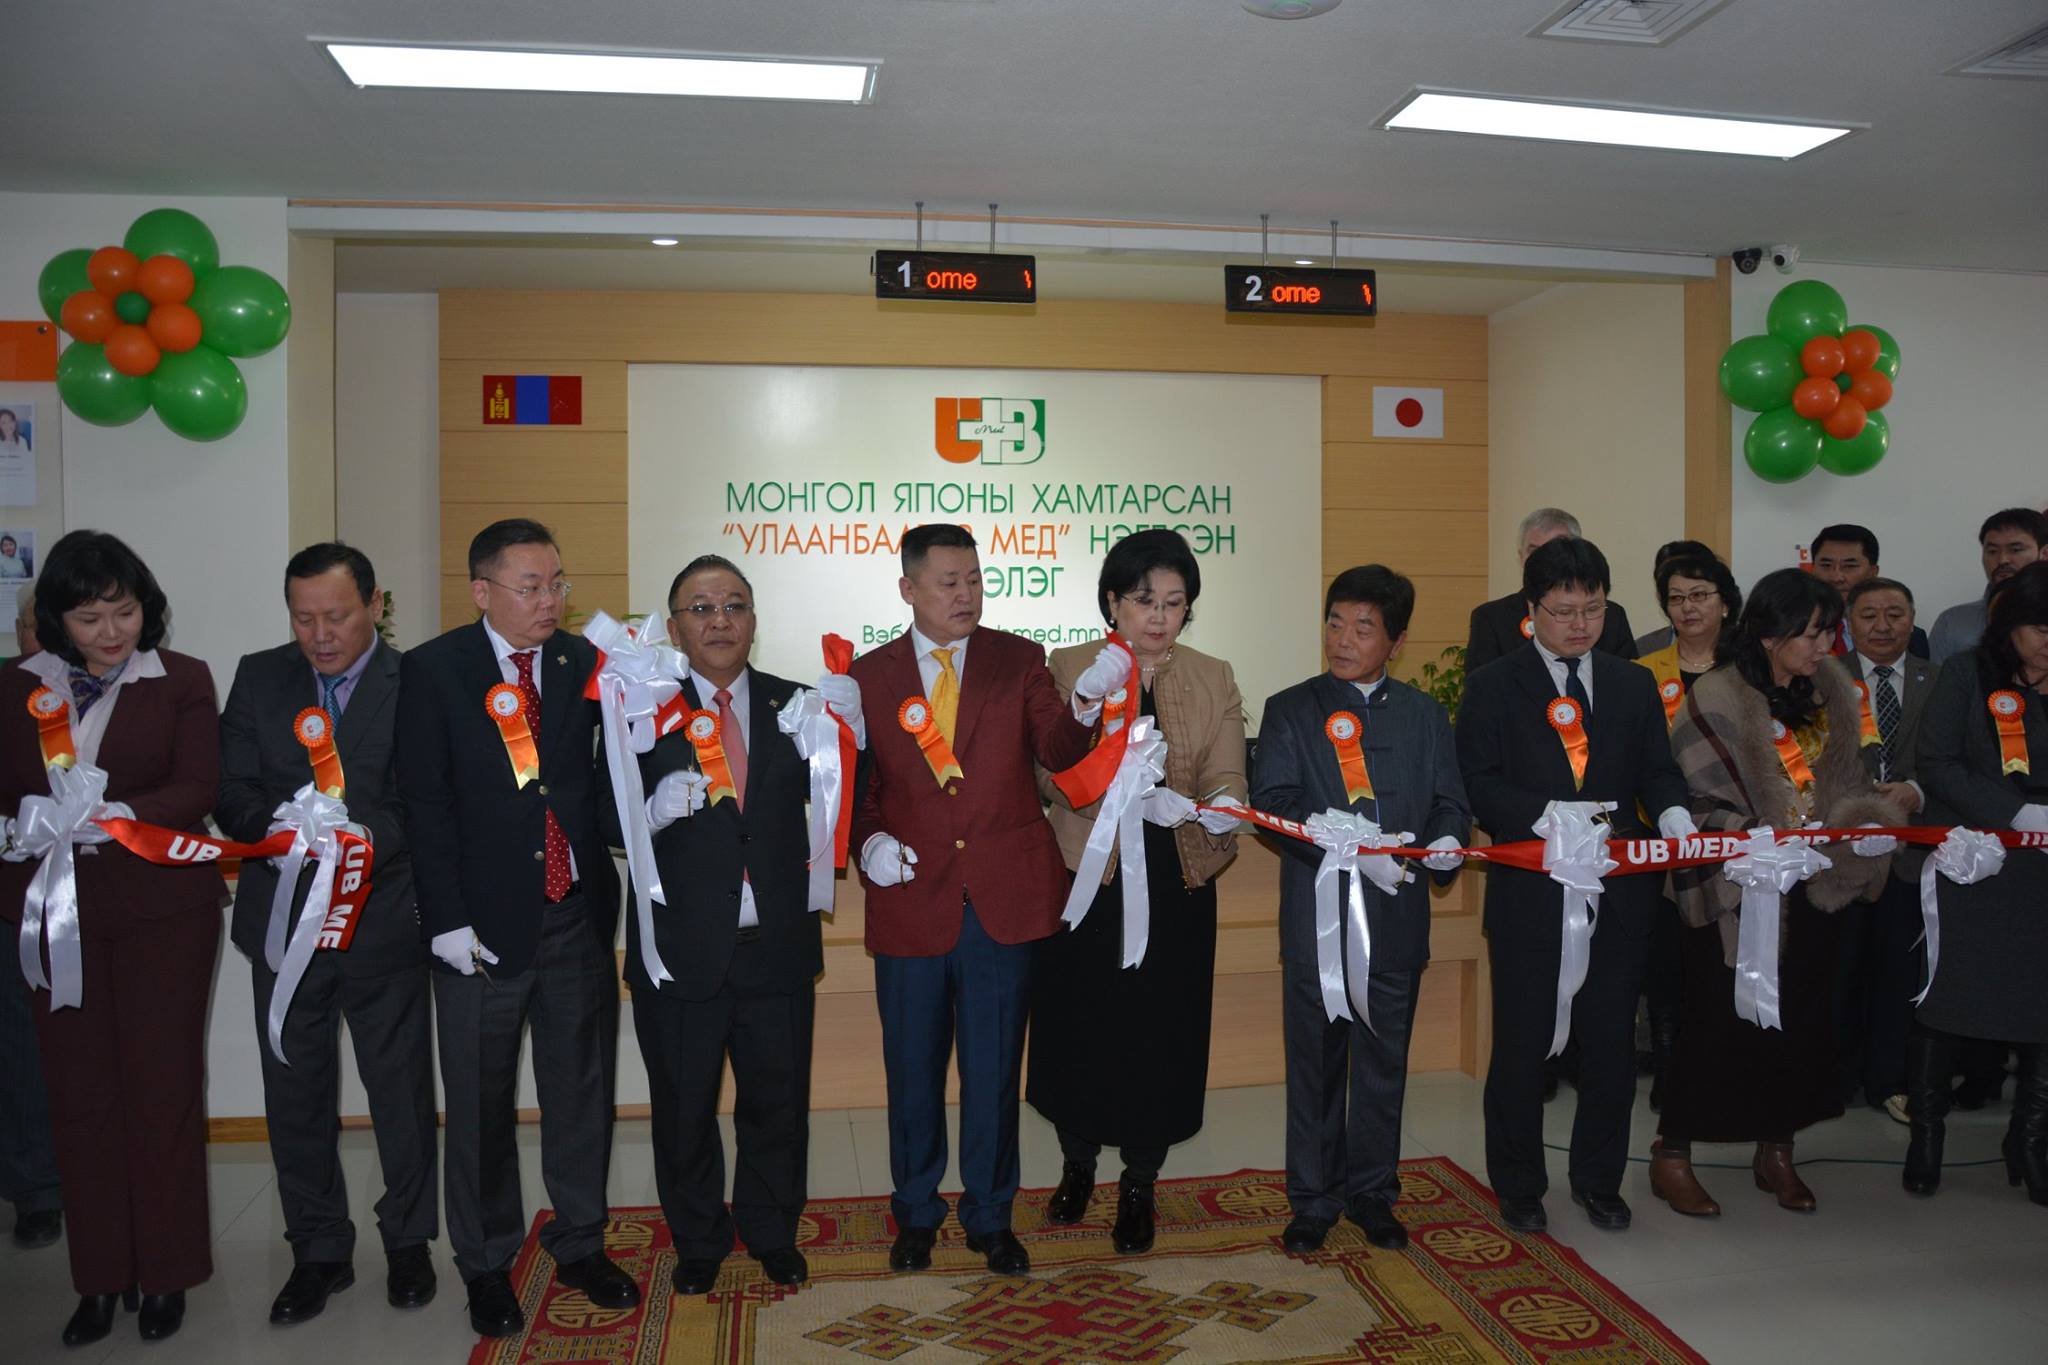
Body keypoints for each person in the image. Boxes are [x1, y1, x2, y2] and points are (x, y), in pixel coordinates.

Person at [850, 523, 1113, 1276]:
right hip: (912, 901)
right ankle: (915, 1212)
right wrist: (871, 843)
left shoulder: (1017, 658)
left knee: (995, 1072)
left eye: (974, 579)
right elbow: (860, 793)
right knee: (912, 1072)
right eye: (948, 582)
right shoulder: (868, 676)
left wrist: (1085, 706)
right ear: (908, 589)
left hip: (1003, 901)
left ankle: (991, 1216)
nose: (965, 594)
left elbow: (1057, 751)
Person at [395, 518, 633, 1338]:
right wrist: (445, 919)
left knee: (581, 1094)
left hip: (574, 915)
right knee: (480, 1104)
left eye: (557, 583)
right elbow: (424, 802)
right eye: (531, 586)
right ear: (482, 591)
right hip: (481, 930)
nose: (550, 600)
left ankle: (581, 1240)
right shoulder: (435, 669)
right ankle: (487, 1262)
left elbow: (601, 779)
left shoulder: (582, 662)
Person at [0, 531, 225, 1345]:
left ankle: (166, 1273)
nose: (111, 632)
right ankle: (98, 1278)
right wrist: (19, 828)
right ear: (56, 621)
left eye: (124, 612)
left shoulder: (182, 678)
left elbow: (198, 785)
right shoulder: (17, 685)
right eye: (89, 617)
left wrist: (121, 817)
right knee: (79, 1099)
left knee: (163, 1092)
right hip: (52, 917)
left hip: (163, 915)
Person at [613, 555, 855, 1296]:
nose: (720, 620)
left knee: (777, 1105)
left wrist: (851, 732)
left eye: (735, 605)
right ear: (674, 626)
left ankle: (773, 1231)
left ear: (754, 620)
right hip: (681, 949)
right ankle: (698, 1239)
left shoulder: (796, 704)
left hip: (775, 946)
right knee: (683, 1108)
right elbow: (602, 813)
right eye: (701, 607)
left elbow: (847, 792)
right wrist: (649, 813)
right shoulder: (639, 708)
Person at [217, 543, 438, 1325]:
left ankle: (408, 1239)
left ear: (375, 604)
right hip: (284, 925)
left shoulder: (414, 681)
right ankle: (317, 1249)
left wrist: (362, 838)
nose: (320, 635)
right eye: (303, 618)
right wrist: (281, 828)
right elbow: (230, 788)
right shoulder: (259, 676)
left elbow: (423, 797)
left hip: (383, 922)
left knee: (401, 1094)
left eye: (337, 616)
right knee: (294, 1094)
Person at [1456, 536, 1693, 1234]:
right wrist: (1542, 815)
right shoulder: (1494, 684)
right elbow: (1476, 780)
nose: (1580, 624)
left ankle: (1599, 1179)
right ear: (1532, 610)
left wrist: (1674, 813)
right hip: (1532, 892)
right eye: (1564, 611)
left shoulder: (1631, 683)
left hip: (1617, 895)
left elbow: (1656, 769)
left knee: (1610, 1043)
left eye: (1594, 608)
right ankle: (1519, 1182)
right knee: (1523, 1044)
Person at [1653, 569, 1905, 1218]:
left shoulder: (1832, 692)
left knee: (1801, 1021)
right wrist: (1754, 836)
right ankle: (1672, 1152)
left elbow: (1852, 783)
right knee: (1715, 1023)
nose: (1825, 646)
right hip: (1739, 888)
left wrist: (1863, 827)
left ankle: (1777, 1149)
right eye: (1813, 633)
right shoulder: (1717, 694)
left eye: (1829, 633)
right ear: (1771, 634)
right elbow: (1692, 796)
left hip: (1815, 883)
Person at [1030, 530, 1247, 1256]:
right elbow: (1047, 775)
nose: (1158, 616)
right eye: (1143, 600)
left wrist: (1220, 804)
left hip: (1177, 874)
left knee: (1160, 1034)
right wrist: (1110, 777)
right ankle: (1077, 1165)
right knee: (1080, 1028)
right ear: (1112, 602)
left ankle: (1140, 1182)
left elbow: (1226, 771)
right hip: (1088, 877)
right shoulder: (1068, 667)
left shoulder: (1213, 675)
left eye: (1174, 603)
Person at [1254, 564, 1469, 1253]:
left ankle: (1373, 1193)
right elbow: (1273, 805)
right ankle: (1313, 1198)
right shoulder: (1291, 708)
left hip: (1395, 920)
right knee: (1315, 1065)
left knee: (1383, 1064)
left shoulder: (1425, 715)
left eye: (1364, 627)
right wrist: (1342, 846)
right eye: (1335, 622)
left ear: (1397, 642)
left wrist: (1448, 841)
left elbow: (1450, 802)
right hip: (1317, 918)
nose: (1343, 639)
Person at [1904, 560, 2048, 1203]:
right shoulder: (1967, 673)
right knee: (1950, 1000)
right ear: (2009, 625)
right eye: (2040, 629)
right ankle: (1926, 1136)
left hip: (2045, 872)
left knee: (2044, 1003)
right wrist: (2015, 813)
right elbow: (1936, 761)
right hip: (1978, 861)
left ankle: (2030, 1140)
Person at [1635, 550, 1742, 1109]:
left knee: (1716, 952)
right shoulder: (1642, 667)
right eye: (1676, 598)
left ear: (1725, 602)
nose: (1687, 607)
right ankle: (1669, 1065)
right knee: (1664, 955)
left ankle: (1720, 1063)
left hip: (1728, 831)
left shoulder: (1747, 666)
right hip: (1656, 830)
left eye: (1700, 595)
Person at [1836, 577, 1937, 1122]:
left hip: (1911, 855)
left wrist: (1916, 789)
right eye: (1869, 615)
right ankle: (1834, 1079)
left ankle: (1889, 1081)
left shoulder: (1938, 680)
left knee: (1900, 971)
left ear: (1913, 619)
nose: (1882, 626)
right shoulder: (1825, 677)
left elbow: (1951, 756)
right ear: (1849, 623)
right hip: (1841, 853)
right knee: (1839, 966)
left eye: (1894, 614)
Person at [1, 575, 62, 1252]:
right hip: (16, 897)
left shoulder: (104, 691)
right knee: (20, 1048)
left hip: (99, 899)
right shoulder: (6, 691)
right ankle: (35, 1190)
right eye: (32, 629)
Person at [1465, 509, 1636, 671]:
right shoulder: (1491, 618)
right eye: (1535, 552)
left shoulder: (1613, 616)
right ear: (1521, 556)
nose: (1545, 560)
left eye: (1556, 550)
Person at [1929, 508, 2048, 664]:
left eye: (2015, 550)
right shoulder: (1952, 622)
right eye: (1992, 551)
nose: (2003, 560)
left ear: (2045, 554)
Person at [1809, 524, 1930, 659]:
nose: (1837, 577)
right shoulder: (1794, 632)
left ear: (1873, 572)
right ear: (1812, 569)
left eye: (1849, 566)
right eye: (1826, 565)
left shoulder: (1910, 638)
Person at [1632, 540, 1719, 656]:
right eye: (1676, 597)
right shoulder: (1643, 649)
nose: (1687, 607)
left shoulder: (1742, 650)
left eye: (1697, 595)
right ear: (1660, 596)